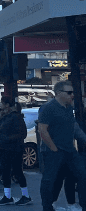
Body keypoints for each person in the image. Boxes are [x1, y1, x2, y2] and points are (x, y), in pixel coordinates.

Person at [38, 80, 86, 211]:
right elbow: (42, 130)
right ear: (59, 93)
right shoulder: (49, 108)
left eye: (73, 92)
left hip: (69, 150)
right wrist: (53, 149)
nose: (72, 95)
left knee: (82, 175)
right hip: (54, 151)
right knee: (50, 180)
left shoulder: (69, 108)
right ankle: (47, 207)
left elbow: (74, 128)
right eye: (69, 92)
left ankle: (82, 205)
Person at [0, 96, 31, 206]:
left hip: (14, 149)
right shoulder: (2, 116)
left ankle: (26, 195)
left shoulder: (16, 117)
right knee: (5, 172)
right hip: (3, 148)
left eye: (1, 103)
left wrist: (7, 138)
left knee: (17, 171)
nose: (0, 105)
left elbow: (23, 134)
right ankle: (7, 196)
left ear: (7, 105)